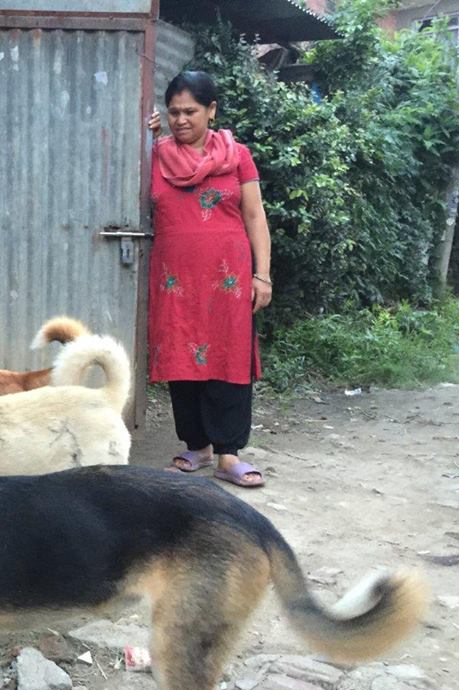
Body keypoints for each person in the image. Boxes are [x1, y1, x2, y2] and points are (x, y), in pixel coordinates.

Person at [147, 70, 273, 487]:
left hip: (228, 281)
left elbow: (254, 216)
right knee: (181, 358)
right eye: (173, 112)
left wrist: (262, 275)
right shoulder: (155, 155)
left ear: (211, 110)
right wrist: (143, 136)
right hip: (175, 281)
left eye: (191, 111)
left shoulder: (237, 155)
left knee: (228, 360)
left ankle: (228, 454)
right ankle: (197, 445)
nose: (181, 120)